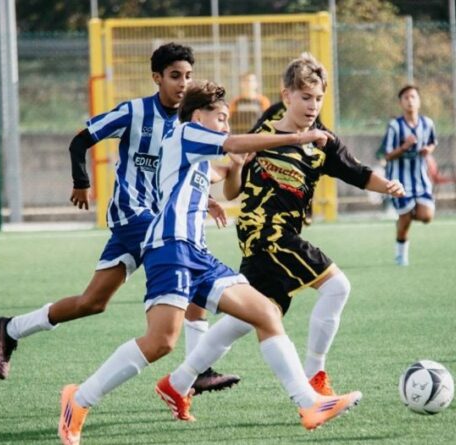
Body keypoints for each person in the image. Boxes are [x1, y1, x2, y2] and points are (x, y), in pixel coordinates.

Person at [57, 81, 363, 445]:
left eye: (227, 121)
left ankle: (309, 404)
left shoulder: (195, 154)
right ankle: (78, 400)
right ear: (197, 115)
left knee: (266, 313)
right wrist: (295, 138)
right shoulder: (186, 133)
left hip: (196, 253)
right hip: (169, 246)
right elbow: (233, 144)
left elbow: (220, 174)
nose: (225, 127)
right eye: (220, 118)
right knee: (161, 342)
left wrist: (232, 169)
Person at [157, 53, 404, 409]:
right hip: (267, 234)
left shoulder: (323, 142)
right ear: (286, 96)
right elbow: (233, 179)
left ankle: (178, 382)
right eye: (305, 97)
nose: (312, 105)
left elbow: (358, 172)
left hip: (275, 236)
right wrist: (225, 179)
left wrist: (389, 186)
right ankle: (314, 380)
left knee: (245, 320)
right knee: (337, 286)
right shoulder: (266, 128)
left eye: (318, 98)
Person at [0, 43, 238, 395]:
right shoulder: (134, 112)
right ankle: (199, 368)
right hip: (133, 215)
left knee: (92, 302)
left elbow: (180, 173)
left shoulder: (187, 122)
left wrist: (207, 200)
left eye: (188, 76)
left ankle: (11, 328)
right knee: (189, 262)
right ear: (157, 78)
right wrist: (81, 182)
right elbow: (80, 141)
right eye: (174, 76)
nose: (183, 83)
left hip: (153, 222)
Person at [380, 85, 437, 266]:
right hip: (399, 181)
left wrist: (428, 149)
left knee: (427, 216)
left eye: (413, 97)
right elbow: (387, 155)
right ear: (401, 103)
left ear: (419, 101)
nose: (410, 100)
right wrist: (404, 147)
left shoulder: (427, 123)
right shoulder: (395, 126)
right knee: (405, 221)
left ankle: (405, 215)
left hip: (421, 180)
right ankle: (401, 256)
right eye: (406, 97)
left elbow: (433, 142)